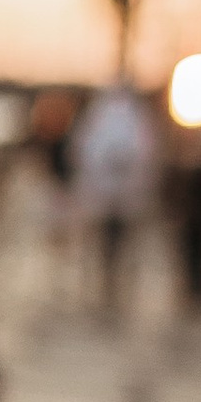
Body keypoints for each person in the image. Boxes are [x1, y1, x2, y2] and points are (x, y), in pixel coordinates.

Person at [66, 77, 161, 313]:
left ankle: (113, 286)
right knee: (103, 244)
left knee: (119, 245)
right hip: (107, 195)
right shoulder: (109, 116)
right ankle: (104, 285)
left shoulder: (126, 117)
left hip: (122, 196)